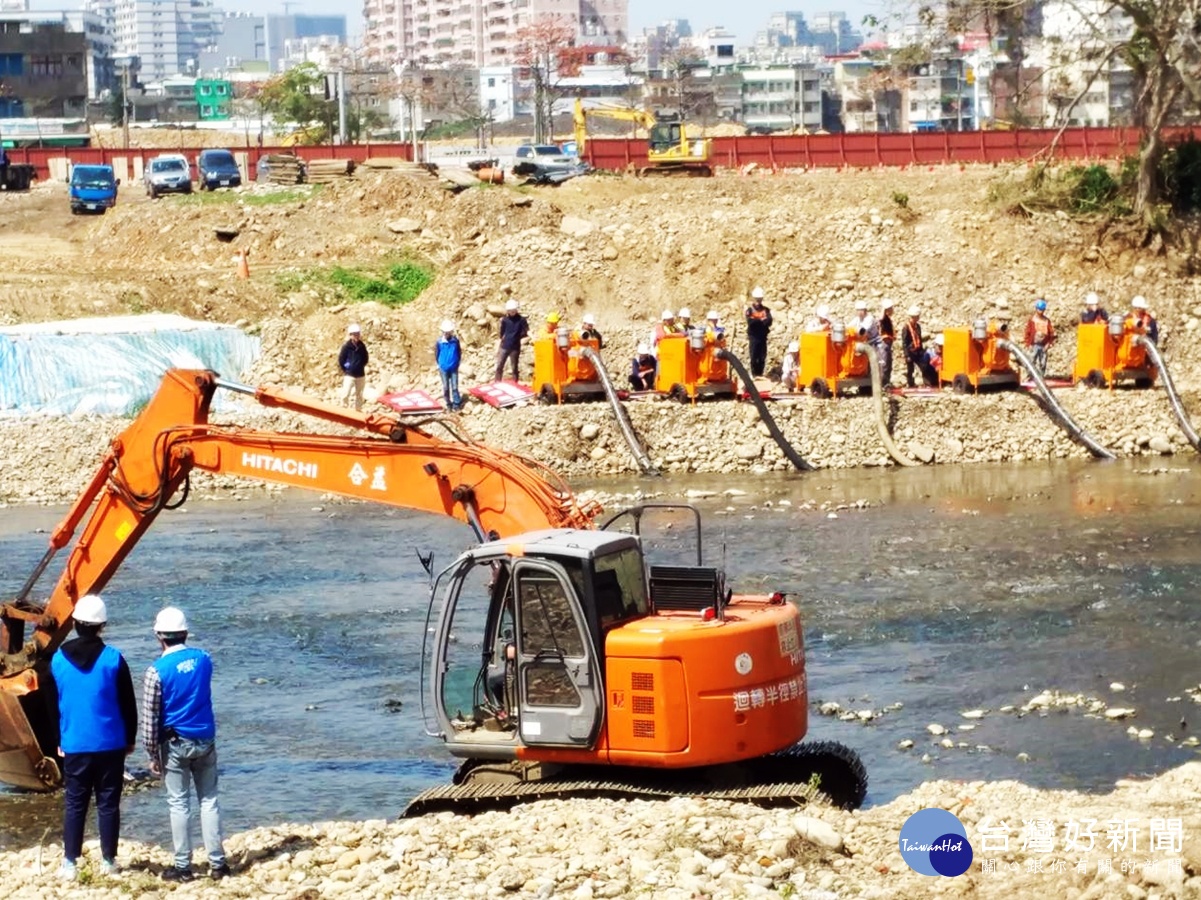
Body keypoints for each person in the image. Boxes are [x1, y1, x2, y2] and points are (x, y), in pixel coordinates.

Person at [50, 593, 138, 881]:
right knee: (108, 803)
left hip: (74, 741)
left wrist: (58, 739)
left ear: (75, 623)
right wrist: (130, 738)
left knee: (75, 802)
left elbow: (53, 703)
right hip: (110, 741)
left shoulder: (58, 660)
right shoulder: (114, 659)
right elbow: (128, 703)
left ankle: (70, 863)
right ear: (102, 626)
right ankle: (109, 861)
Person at [143, 607, 230, 882]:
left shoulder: (156, 672)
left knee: (179, 804)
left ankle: (183, 867)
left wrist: (152, 753)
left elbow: (150, 717)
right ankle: (218, 864)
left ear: (159, 636)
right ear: (186, 633)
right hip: (205, 739)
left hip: (176, 743)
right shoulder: (204, 659)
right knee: (209, 800)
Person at [901, 306, 938, 387]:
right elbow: (904, 342)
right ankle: (910, 384)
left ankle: (928, 383)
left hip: (918, 351)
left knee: (924, 366)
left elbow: (919, 339)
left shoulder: (918, 326)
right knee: (910, 369)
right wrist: (907, 355)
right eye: (917, 316)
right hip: (910, 352)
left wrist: (921, 350)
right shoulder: (906, 328)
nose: (918, 318)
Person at [494, 298, 528, 382]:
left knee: (514, 367)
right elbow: (502, 334)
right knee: (499, 365)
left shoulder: (521, 320)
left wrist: (530, 337)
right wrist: (498, 346)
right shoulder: (505, 320)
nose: (512, 312)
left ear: (516, 309)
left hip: (515, 348)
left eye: (514, 310)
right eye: (510, 310)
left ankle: (515, 383)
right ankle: (497, 382)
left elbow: (526, 331)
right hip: (504, 346)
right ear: (508, 311)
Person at [337, 324, 368, 411]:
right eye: (354, 334)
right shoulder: (346, 347)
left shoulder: (362, 346)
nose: (356, 336)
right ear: (350, 335)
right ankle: (343, 410)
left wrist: (360, 365)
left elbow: (365, 358)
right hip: (349, 374)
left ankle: (358, 411)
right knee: (345, 393)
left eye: (358, 334)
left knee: (360, 394)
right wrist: (347, 369)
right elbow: (341, 360)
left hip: (360, 375)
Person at [1023, 298, 1056, 376]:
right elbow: (1027, 332)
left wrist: (1049, 344)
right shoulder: (1032, 320)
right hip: (1034, 345)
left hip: (1043, 346)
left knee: (1043, 363)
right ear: (1036, 309)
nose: (1041, 311)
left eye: (1042, 309)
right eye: (1039, 309)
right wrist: (1028, 344)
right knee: (1031, 361)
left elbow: (1051, 334)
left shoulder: (1047, 321)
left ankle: (1041, 377)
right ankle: (1030, 376)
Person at [744, 287, 773, 377]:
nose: (758, 301)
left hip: (762, 336)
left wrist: (758, 320)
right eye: (757, 299)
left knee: (762, 356)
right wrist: (761, 320)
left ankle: (760, 374)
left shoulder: (766, 310)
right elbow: (750, 322)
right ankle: (754, 374)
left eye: (760, 299)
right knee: (754, 356)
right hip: (753, 336)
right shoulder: (750, 310)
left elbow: (769, 321)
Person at [435, 319, 462, 411]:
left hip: (454, 367)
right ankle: (448, 403)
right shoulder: (439, 342)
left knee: (454, 387)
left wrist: (457, 362)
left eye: (449, 332)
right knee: (446, 387)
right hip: (443, 368)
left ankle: (456, 404)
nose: (447, 334)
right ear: (443, 332)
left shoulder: (455, 341)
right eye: (446, 332)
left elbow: (459, 352)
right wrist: (439, 364)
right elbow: (437, 354)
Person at [878, 300, 896, 387]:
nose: (893, 310)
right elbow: (880, 318)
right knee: (884, 364)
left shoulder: (888, 319)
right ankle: (883, 383)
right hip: (884, 344)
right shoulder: (884, 317)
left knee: (888, 364)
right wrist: (883, 308)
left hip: (888, 344)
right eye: (891, 308)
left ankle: (886, 382)